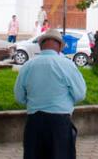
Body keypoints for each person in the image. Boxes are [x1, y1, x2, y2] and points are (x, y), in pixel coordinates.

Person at [14, 29, 86, 159]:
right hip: (60, 123)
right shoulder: (67, 65)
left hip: (34, 122)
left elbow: (19, 97)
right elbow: (80, 94)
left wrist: (34, 102)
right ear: (59, 47)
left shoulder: (27, 66)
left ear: (41, 46)